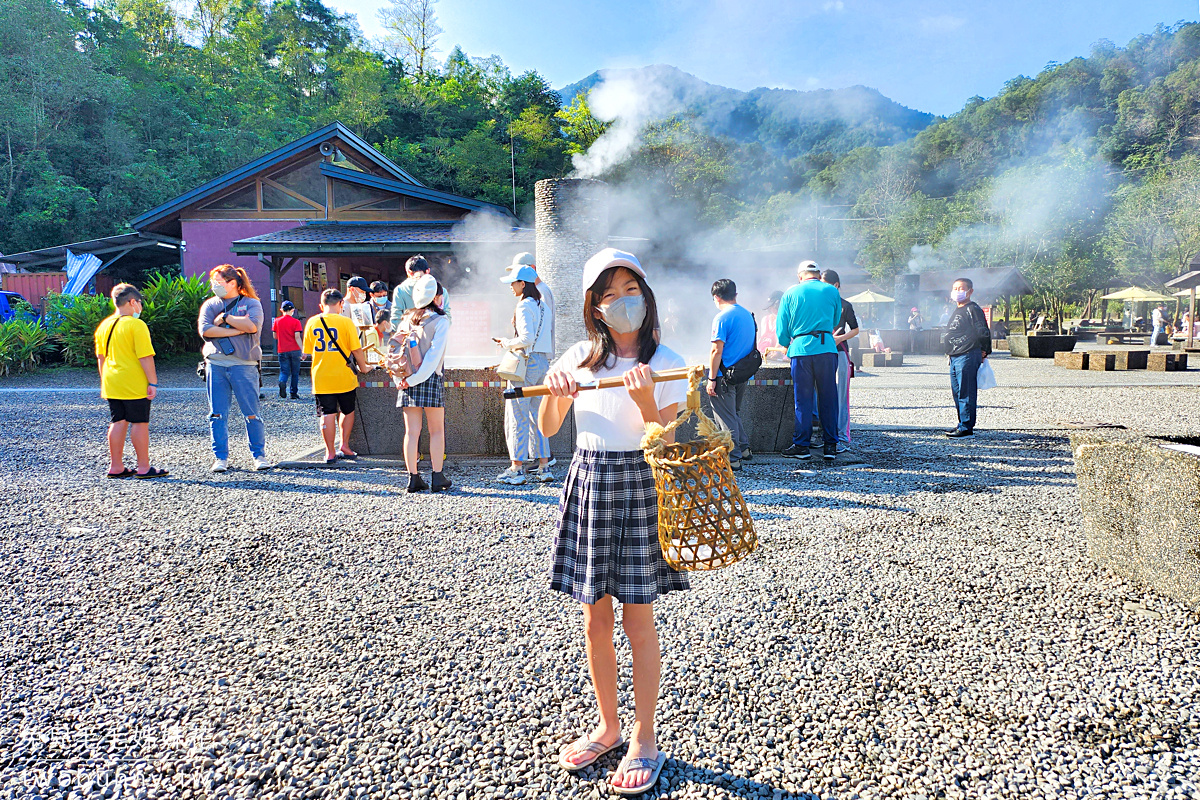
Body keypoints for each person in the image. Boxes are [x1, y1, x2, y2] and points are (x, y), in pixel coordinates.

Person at [538, 248, 688, 796]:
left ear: (646, 297)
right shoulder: (580, 354)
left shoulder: (669, 360)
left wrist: (649, 403)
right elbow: (552, 425)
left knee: (637, 619)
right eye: (609, 295)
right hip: (589, 480)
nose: (622, 302)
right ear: (594, 308)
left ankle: (646, 737)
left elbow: (667, 441)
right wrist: (556, 395)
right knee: (595, 619)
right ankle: (609, 726)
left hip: (641, 483)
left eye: (631, 290)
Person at [199, 265, 272, 473]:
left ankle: (259, 455)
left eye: (219, 282)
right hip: (216, 364)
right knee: (217, 414)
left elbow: (253, 326)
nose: (214, 286)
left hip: (245, 364)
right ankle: (220, 457)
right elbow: (205, 330)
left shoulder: (252, 303)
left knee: (251, 413)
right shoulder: (210, 304)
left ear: (233, 283)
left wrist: (225, 320)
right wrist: (238, 330)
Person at [94, 284, 167, 479]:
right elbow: (145, 356)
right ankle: (143, 467)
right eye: (140, 303)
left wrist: (104, 380)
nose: (140, 307)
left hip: (111, 380)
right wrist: (152, 382)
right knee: (140, 422)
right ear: (132, 302)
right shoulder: (136, 325)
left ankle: (116, 466)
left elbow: (101, 357)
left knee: (118, 420)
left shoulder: (104, 325)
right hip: (133, 381)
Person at [390, 274, 452, 493]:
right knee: (436, 431)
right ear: (437, 297)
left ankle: (413, 478)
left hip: (406, 380)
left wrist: (402, 380)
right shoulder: (441, 321)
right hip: (429, 379)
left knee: (411, 432)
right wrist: (414, 379)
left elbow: (394, 352)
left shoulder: (406, 319)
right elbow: (434, 358)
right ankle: (437, 477)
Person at [494, 264, 555, 485]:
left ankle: (516, 468)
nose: (511, 286)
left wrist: (506, 343)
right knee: (538, 417)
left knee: (516, 415)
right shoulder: (543, 306)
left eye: (513, 282)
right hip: (542, 363)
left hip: (526, 363)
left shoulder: (523, 306)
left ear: (523, 284)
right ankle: (544, 467)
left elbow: (527, 338)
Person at [776, 261, 842, 460]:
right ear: (818, 274)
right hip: (827, 348)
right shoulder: (832, 291)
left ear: (800, 276)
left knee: (802, 400)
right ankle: (830, 446)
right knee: (829, 398)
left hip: (801, 349)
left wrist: (786, 342)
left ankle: (802, 446)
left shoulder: (790, 293)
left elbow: (782, 328)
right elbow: (836, 319)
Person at [302, 289, 370, 464]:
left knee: (327, 414)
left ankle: (330, 452)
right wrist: (363, 367)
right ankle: (345, 446)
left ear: (321, 305)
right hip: (344, 376)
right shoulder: (346, 322)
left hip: (321, 376)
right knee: (347, 412)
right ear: (341, 304)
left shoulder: (312, 322)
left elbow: (308, 350)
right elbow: (356, 349)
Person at [707, 278, 756, 470]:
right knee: (733, 413)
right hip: (742, 372)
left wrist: (712, 378)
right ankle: (744, 449)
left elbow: (716, 350)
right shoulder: (748, 315)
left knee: (725, 416)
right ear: (735, 294)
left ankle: (733, 458)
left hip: (724, 375)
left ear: (716, 297)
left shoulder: (721, 317)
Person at [944, 277, 992, 438]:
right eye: (955, 288)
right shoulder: (958, 309)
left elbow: (983, 330)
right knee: (957, 391)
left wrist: (984, 350)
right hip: (955, 355)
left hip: (967, 354)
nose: (957, 292)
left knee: (966, 390)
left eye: (961, 288)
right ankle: (961, 423)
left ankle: (967, 425)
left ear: (970, 291)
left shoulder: (973, 309)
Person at [822, 270, 859, 453]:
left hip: (839, 352)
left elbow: (856, 329)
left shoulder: (845, 305)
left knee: (840, 394)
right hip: (820, 352)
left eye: (827, 284)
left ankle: (842, 435)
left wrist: (840, 338)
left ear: (836, 285)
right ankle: (825, 433)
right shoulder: (819, 304)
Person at [505, 252, 556, 353]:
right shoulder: (532, 295)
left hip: (534, 354)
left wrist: (507, 343)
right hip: (534, 353)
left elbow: (541, 327)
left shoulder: (542, 291)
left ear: (532, 268)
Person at [391, 255, 451, 324]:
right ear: (428, 271)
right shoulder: (441, 290)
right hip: (435, 332)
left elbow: (396, 319)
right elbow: (447, 317)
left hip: (408, 333)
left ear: (409, 272)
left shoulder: (400, 290)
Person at [272, 300, 304, 399]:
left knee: (284, 371)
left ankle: (282, 381)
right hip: (295, 350)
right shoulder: (296, 322)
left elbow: (275, 336)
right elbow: (297, 337)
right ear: (292, 310)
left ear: (281, 310)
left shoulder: (277, 321)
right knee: (295, 372)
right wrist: (303, 349)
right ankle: (293, 393)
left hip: (282, 350)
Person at [758, 290, 788, 363]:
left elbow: (782, 340)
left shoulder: (786, 320)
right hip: (765, 357)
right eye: (770, 306)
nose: (771, 309)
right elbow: (763, 339)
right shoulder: (765, 320)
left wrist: (776, 351)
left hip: (779, 359)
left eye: (774, 306)